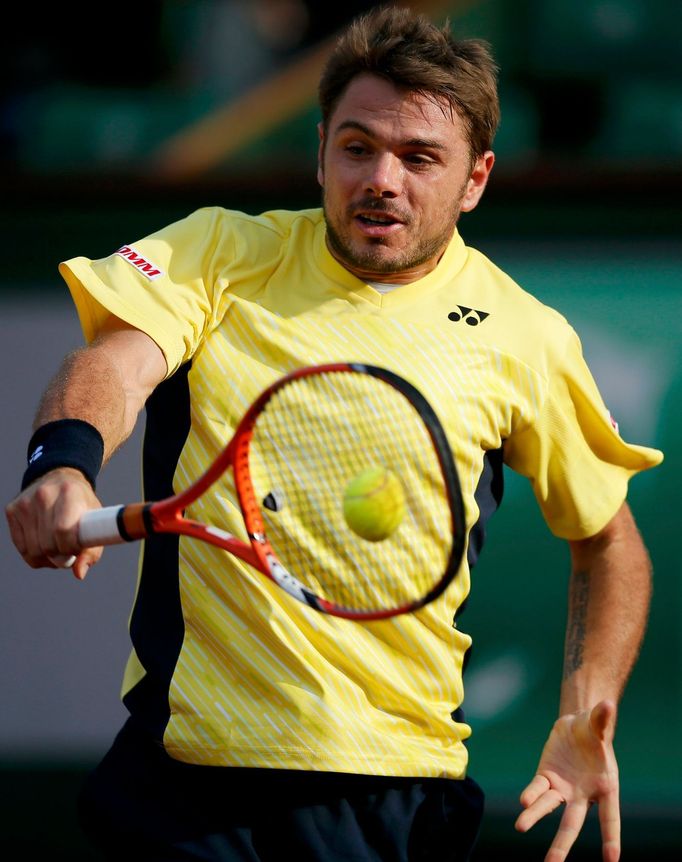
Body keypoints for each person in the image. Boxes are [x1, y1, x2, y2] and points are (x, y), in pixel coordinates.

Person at [5, 6, 662, 862]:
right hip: (185, 777)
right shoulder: (221, 251)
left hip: (394, 791)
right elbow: (117, 366)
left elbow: (611, 544)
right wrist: (65, 461)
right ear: (321, 151)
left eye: (420, 158)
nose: (382, 178)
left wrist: (584, 709)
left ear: (476, 180)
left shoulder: (525, 337)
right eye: (358, 148)